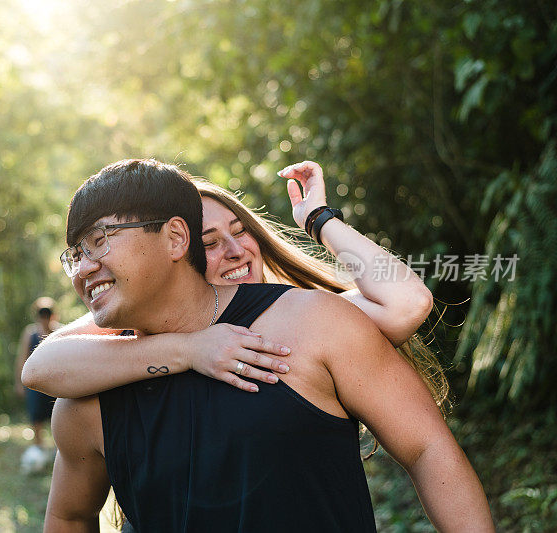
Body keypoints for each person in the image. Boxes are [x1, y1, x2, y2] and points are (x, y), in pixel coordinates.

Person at [34, 159, 494, 532]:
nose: (82, 269)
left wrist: (319, 218)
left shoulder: (315, 322)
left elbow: (427, 447)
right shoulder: (89, 396)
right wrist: (188, 349)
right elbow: (68, 511)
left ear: (174, 239)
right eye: (76, 254)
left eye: (99, 242)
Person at [22, 161, 445, 408]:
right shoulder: (140, 330)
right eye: (208, 242)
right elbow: (41, 366)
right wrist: (187, 351)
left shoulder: (306, 318)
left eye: (240, 230)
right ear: (177, 248)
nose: (235, 249)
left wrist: (317, 218)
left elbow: (406, 303)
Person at [14, 297, 61, 455]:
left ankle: (58, 453)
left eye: (47, 314)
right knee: (36, 419)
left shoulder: (60, 331)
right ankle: (38, 452)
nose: (45, 318)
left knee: (58, 418)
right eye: (42, 314)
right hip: (35, 384)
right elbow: (22, 358)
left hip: (55, 384)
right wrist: (20, 383)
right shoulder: (30, 333)